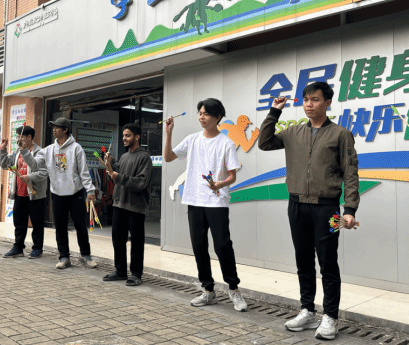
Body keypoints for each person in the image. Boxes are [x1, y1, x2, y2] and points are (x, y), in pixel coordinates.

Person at [258, 82, 358, 340]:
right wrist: (274, 111)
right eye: (306, 100)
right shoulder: (293, 132)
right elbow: (264, 143)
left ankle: (330, 316)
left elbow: (350, 173)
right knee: (303, 260)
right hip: (296, 205)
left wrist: (350, 209)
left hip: (328, 208)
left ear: (328, 102)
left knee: (328, 262)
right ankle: (307, 310)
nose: (309, 104)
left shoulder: (341, 134)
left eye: (315, 99)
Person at [163, 98, 248, 312]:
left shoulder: (226, 143)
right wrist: (169, 133)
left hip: (216, 201)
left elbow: (232, 176)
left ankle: (234, 289)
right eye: (200, 113)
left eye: (206, 113)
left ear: (217, 117)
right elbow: (168, 157)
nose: (201, 117)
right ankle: (208, 290)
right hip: (194, 199)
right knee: (199, 245)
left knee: (222, 246)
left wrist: (219, 184)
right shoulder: (192, 140)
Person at [26, 117, 98, 269]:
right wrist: (23, 151)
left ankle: (85, 255)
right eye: (53, 127)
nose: (54, 129)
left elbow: (84, 172)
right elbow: (34, 164)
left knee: (80, 225)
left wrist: (90, 190)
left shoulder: (76, 148)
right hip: (57, 194)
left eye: (57, 127)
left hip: (75, 193)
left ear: (65, 130)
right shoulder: (48, 150)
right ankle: (64, 257)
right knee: (60, 227)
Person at [102, 123, 153, 286]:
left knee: (136, 242)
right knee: (118, 240)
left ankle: (136, 274)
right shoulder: (124, 157)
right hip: (119, 204)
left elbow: (141, 182)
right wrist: (109, 165)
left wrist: (119, 177)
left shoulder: (144, 157)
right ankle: (120, 271)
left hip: (135, 206)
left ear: (137, 137)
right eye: (124, 135)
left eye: (128, 135)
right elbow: (114, 178)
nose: (124, 138)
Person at [0, 126, 49, 259]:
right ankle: (18, 247)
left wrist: (30, 177)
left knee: (37, 223)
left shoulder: (40, 152)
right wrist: (3, 150)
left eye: (20, 137)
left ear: (29, 137)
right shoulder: (17, 152)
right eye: (17, 137)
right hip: (20, 193)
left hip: (35, 194)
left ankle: (37, 248)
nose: (18, 139)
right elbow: (5, 164)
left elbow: (43, 172)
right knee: (19, 223)